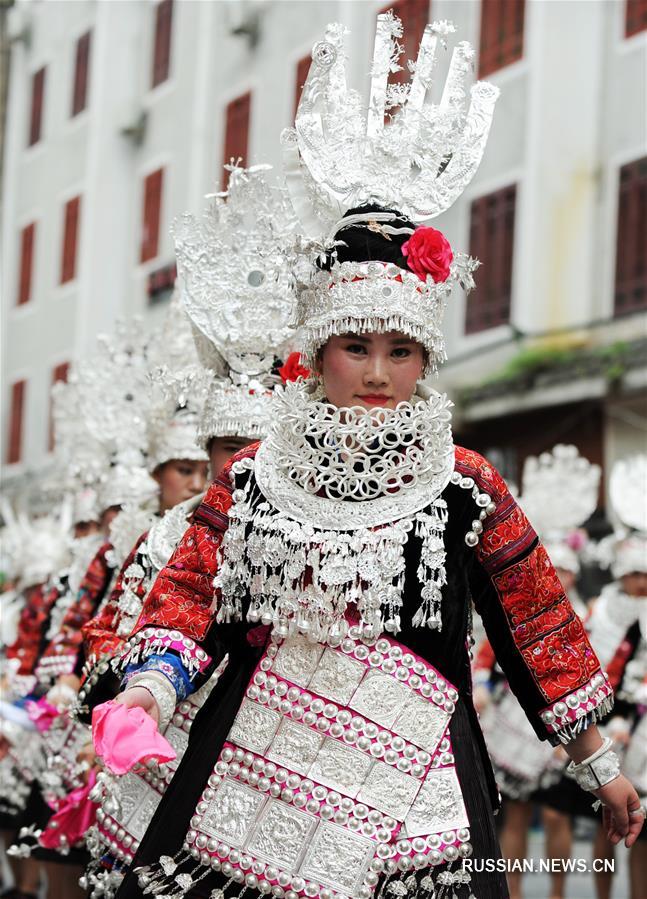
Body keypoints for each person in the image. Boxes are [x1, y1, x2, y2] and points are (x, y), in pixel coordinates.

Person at [95, 15, 643, 899]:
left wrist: (598, 764)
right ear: (316, 354)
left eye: (400, 349)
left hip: (417, 782)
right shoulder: (255, 477)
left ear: (426, 357)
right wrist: (151, 689)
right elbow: (191, 596)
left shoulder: (462, 482)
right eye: (355, 347)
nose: (379, 372)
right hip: (258, 774)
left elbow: (538, 626)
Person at [79, 167, 299, 899]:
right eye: (219, 447)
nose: (235, 461)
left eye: (251, 443)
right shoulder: (173, 531)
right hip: (169, 739)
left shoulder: (305, 519)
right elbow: (122, 632)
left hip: (282, 758)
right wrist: (139, 692)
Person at [473, 445, 601, 899]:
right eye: (555, 570)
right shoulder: (522, 610)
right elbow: (489, 654)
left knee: (556, 817)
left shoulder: (592, 619)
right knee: (516, 815)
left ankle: (559, 893)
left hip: (567, 727)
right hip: (517, 720)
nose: (560, 578)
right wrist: (484, 686)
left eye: (565, 571)